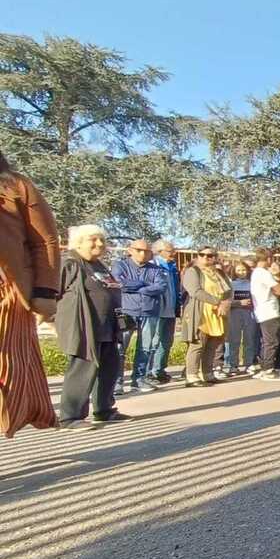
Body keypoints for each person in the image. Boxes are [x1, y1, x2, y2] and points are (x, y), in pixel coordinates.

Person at [0, 152, 59, 436]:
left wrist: (45, 290)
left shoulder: (16, 186)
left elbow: (44, 239)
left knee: (7, 373)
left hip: (7, 295)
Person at [55, 225, 126, 429]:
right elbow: (53, 293)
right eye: (93, 240)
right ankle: (71, 416)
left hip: (107, 327)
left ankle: (104, 410)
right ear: (78, 242)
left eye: (102, 240)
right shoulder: (69, 263)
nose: (99, 244)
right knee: (82, 370)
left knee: (109, 368)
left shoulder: (100, 265)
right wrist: (54, 320)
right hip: (84, 326)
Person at [108, 238, 166, 395]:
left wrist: (136, 287)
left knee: (145, 347)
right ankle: (116, 382)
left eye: (147, 251)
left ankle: (138, 379)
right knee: (120, 348)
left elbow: (161, 287)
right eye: (139, 250)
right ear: (130, 250)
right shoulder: (120, 265)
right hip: (126, 311)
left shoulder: (156, 269)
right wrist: (145, 285)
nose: (143, 253)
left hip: (150, 311)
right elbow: (119, 283)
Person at [181, 247, 232, 388]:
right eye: (202, 254)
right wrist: (218, 302)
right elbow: (195, 291)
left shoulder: (219, 273)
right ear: (197, 256)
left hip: (217, 312)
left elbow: (229, 290)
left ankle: (207, 373)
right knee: (197, 344)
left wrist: (226, 303)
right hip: (200, 311)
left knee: (212, 344)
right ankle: (191, 376)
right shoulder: (193, 271)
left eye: (210, 255)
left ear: (215, 257)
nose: (206, 257)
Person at [249, 249, 280, 381]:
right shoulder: (263, 273)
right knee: (271, 342)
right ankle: (268, 370)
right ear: (268, 259)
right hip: (269, 311)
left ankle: (264, 367)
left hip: (262, 310)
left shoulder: (255, 273)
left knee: (266, 342)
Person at [149, 239, 182, 384]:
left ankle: (160, 370)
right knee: (154, 341)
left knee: (167, 341)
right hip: (158, 310)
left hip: (171, 309)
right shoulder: (153, 266)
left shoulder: (173, 267)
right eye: (170, 251)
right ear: (159, 252)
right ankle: (150, 372)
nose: (173, 253)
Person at [220, 261, 257, 377]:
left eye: (244, 270)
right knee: (234, 340)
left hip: (249, 314)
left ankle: (248, 363)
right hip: (234, 314)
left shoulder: (251, 284)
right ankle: (233, 365)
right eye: (239, 270)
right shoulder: (231, 284)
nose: (241, 272)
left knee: (249, 339)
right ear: (234, 271)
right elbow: (226, 302)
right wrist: (239, 303)